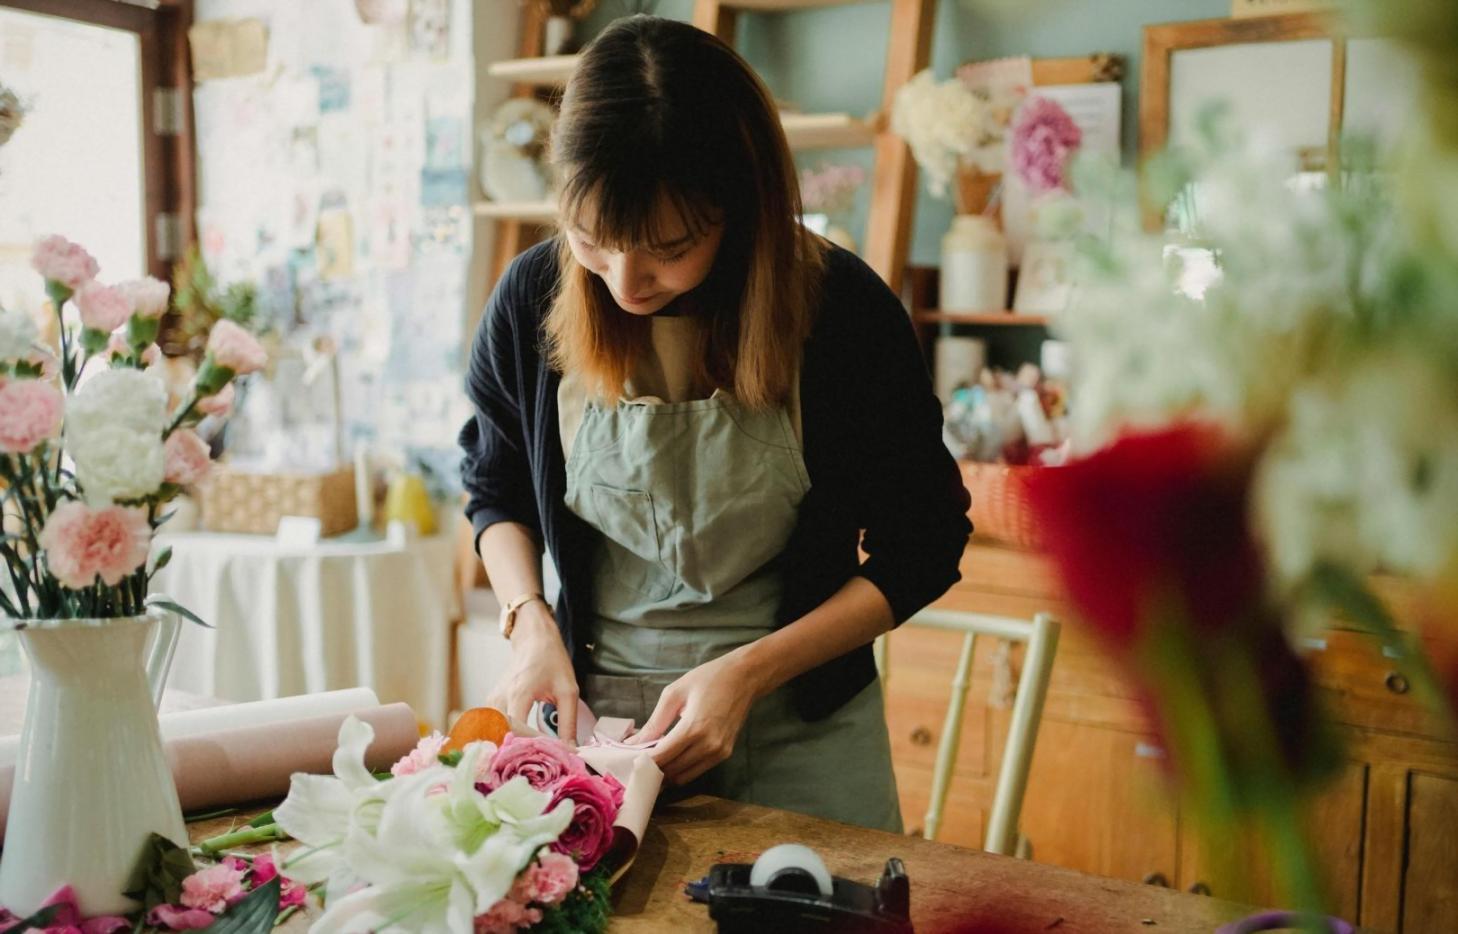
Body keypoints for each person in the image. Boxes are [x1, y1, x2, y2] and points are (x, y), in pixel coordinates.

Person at [459, 15, 970, 833]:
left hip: (803, 721)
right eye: (593, 239)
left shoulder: (841, 312)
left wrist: (748, 673)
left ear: (739, 208)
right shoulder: (530, 301)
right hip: (600, 727)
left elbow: (926, 543)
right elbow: (495, 488)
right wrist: (529, 625)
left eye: (668, 245)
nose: (627, 281)